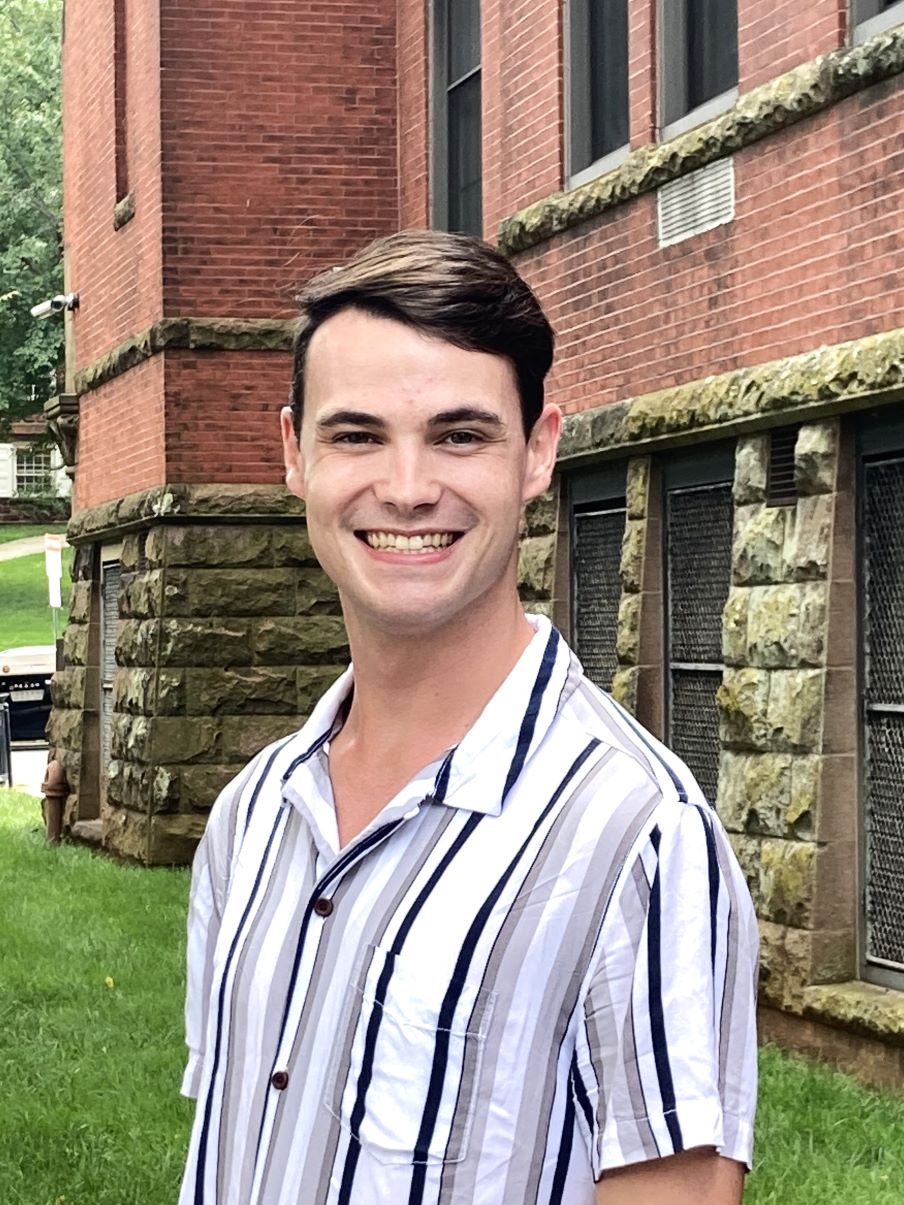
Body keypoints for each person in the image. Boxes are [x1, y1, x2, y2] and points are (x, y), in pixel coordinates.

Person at [178, 229, 758, 1205]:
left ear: (537, 452)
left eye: (459, 434)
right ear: (293, 454)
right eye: (357, 434)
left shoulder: (636, 836)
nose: (407, 487)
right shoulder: (252, 813)